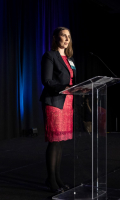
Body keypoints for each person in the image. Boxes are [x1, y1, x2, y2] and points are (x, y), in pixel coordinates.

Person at [40, 27, 76, 193]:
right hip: (54, 102)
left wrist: (77, 89)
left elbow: (72, 80)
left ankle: (57, 178)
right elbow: (46, 81)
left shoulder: (69, 59)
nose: (67, 39)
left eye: (69, 36)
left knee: (60, 143)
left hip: (67, 103)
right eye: (63, 35)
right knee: (54, 142)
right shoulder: (50, 56)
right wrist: (66, 87)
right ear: (56, 38)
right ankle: (51, 180)